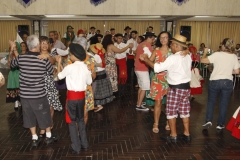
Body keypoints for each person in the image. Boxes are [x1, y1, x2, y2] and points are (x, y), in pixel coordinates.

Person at [140, 34, 192, 143]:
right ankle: (187, 134)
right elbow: (187, 52)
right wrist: (186, 50)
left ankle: (173, 135)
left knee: (171, 111)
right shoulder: (187, 56)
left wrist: (145, 59)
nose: (171, 45)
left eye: (172, 44)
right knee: (184, 111)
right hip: (186, 88)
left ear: (177, 46)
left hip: (174, 87)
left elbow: (157, 68)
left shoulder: (173, 57)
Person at [10, 35, 54, 146]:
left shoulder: (21, 58)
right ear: (37, 45)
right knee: (44, 114)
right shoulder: (42, 59)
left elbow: (12, 64)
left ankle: (34, 138)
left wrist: (13, 49)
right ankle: (48, 136)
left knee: (28, 116)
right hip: (39, 94)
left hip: (25, 96)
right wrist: (46, 58)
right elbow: (51, 71)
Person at [56, 43, 92, 154]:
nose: (69, 56)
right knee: (81, 120)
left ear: (73, 55)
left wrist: (58, 63)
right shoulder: (85, 67)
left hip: (72, 98)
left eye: (70, 54)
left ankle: (76, 147)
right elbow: (89, 82)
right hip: (81, 98)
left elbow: (59, 76)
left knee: (71, 122)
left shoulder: (70, 67)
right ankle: (84, 144)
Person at [201, 38, 239, 130]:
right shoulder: (234, 56)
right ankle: (220, 124)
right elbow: (237, 71)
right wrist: (228, 71)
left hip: (215, 81)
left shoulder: (217, 54)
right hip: (227, 82)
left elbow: (202, 60)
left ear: (223, 45)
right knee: (224, 103)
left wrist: (205, 52)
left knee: (211, 102)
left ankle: (209, 120)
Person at [146, 31, 172, 133]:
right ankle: (156, 123)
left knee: (169, 103)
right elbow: (150, 62)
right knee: (158, 102)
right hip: (157, 80)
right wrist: (146, 58)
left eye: (165, 37)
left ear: (169, 39)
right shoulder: (156, 50)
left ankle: (168, 121)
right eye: (161, 38)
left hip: (170, 80)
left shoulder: (173, 51)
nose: (163, 39)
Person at [38, 36, 62, 139]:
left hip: (50, 83)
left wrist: (56, 61)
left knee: (51, 107)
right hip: (40, 84)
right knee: (42, 107)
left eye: (46, 43)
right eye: (42, 43)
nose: (44, 45)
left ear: (49, 45)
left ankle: (48, 125)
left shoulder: (51, 55)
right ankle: (44, 127)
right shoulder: (36, 55)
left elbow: (53, 64)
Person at [134, 32, 156, 111]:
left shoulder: (141, 44)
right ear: (149, 38)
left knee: (141, 86)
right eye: (152, 39)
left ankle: (138, 102)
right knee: (145, 87)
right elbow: (150, 57)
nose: (153, 41)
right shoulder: (147, 45)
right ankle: (139, 105)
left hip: (137, 68)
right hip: (143, 69)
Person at [89, 43, 114, 112]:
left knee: (97, 89)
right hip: (103, 72)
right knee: (100, 89)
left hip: (98, 73)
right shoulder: (102, 55)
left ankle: (99, 105)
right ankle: (98, 105)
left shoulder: (96, 56)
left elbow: (99, 64)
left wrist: (91, 63)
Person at [6, 42, 28, 110]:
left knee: (19, 88)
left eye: (23, 46)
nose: (22, 47)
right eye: (21, 46)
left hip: (19, 73)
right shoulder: (16, 55)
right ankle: (16, 101)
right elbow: (9, 64)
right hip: (13, 73)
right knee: (14, 88)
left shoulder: (23, 55)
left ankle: (19, 101)